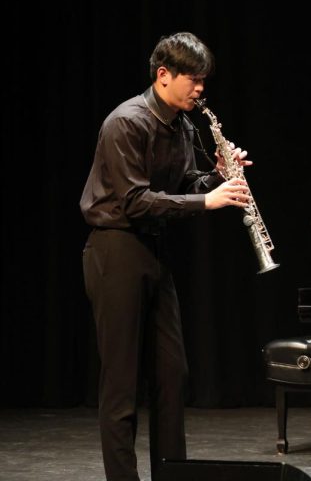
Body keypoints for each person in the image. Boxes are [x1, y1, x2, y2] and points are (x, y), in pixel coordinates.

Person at [81, 32, 251, 481]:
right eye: (193, 80)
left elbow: (186, 185)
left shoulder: (184, 124)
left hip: (153, 249)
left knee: (172, 376)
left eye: (203, 81)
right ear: (163, 76)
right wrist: (206, 202)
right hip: (115, 248)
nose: (200, 89)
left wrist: (215, 178)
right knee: (120, 383)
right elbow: (135, 201)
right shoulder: (126, 122)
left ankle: (170, 475)